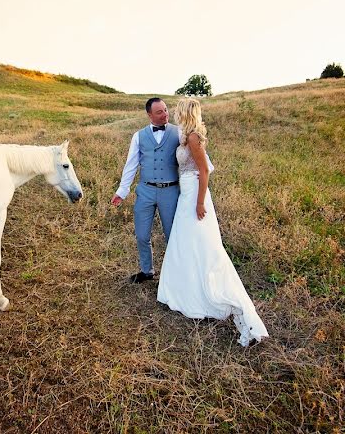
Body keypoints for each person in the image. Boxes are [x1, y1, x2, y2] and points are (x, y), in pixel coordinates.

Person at [157, 98, 268, 346]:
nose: (174, 113)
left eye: (177, 111)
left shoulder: (194, 137)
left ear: (185, 113)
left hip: (195, 195)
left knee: (203, 246)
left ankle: (217, 298)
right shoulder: (186, 136)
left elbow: (204, 171)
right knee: (186, 243)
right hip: (186, 193)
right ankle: (188, 293)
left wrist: (199, 203)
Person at [111, 97, 180, 283]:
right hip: (146, 191)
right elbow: (131, 165)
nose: (165, 114)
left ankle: (175, 273)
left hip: (171, 191)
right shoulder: (138, 136)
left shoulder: (179, 133)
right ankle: (146, 271)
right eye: (160, 112)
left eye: (166, 110)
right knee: (142, 234)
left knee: (172, 235)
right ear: (149, 115)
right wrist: (122, 191)